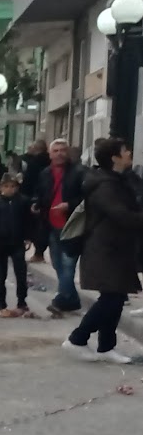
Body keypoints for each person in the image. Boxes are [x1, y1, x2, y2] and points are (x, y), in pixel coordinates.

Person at [62, 137, 143, 363]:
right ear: (115, 157)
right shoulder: (105, 185)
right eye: (125, 150)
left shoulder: (119, 179)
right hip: (104, 249)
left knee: (116, 297)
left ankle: (106, 347)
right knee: (110, 298)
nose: (129, 153)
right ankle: (77, 339)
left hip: (116, 248)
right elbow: (122, 215)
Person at [30, 138, 86, 316]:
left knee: (68, 264)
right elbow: (40, 192)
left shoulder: (79, 172)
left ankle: (60, 300)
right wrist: (36, 203)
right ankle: (72, 300)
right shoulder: (45, 173)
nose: (60, 153)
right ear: (50, 154)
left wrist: (69, 205)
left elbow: (86, 197)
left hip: (72, 225)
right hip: (51, 224)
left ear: (68, 152)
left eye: (63, 150)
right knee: (57, 264)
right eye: (56, 150)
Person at [0, 172, 32, 318]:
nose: (9, 189)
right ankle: (1, 302)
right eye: (6, 186)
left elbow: (28, 221)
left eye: (13, 186)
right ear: (0, 187)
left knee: (21, 274)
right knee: (0, 274)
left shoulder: (23, 202)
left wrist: (28, 237)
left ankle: (21, 301)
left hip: (17, 242)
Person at [21, 141, 52, 263]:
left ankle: (38, 252)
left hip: (35, 196)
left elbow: (28, 181)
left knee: (36, 225)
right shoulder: (50, 162)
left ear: (36, 149)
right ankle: (40, 250)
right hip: (49, 196)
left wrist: (24, 194)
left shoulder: (34, 163)